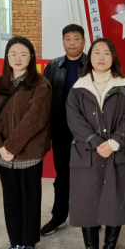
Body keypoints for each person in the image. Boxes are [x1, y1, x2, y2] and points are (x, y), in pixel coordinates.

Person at [66, 38, 125, 249]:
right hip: (86, 154)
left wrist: (115, 142)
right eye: (96, 52)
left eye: (106, 53)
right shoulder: (78, 88)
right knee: (87, 206)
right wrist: (96, 142)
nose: (101, 57)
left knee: (114, 202)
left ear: (113, 57)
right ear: (90, 58)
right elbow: (74, 120)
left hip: (117, 153)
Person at [0, 36, 51, 249]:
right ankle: (15, 244)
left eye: (23, 54)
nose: (18, 58)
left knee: (29, 200)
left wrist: (10, 147)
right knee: (11, 200)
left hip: (29, 153)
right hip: (4, 154)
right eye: (13, 54)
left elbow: (34, 120)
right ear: (7, 57)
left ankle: (28, 245)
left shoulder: (41, 84)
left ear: (31, 57)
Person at [40, 24, 86, 236]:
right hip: (61, 131)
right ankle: (58, 217)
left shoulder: (92, 64)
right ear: (63, 42)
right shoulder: (53, 66)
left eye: (76, 39)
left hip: (87, 133)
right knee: (62, 176)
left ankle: (90, 217)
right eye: (68, 39)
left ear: (83, 41)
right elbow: (44, 99)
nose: (72, 43)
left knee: (89, 176)